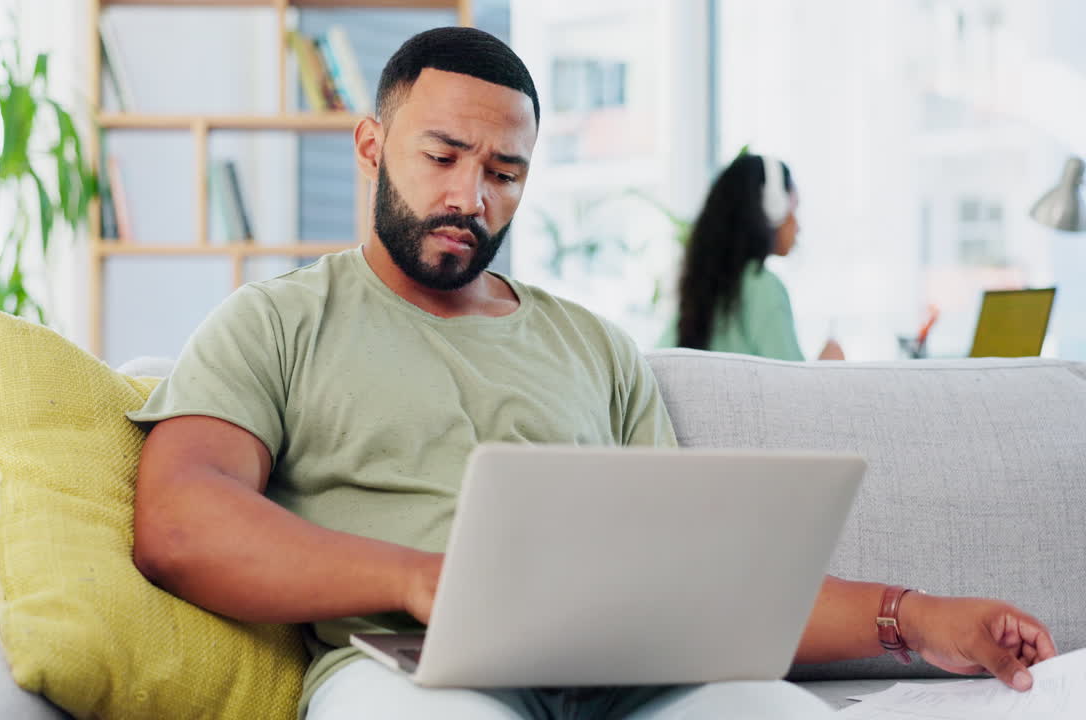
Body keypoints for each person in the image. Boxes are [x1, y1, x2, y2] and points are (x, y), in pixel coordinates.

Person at [128, 27, 1056, 720]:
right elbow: (179, 521)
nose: (471, 197)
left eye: (505, 171)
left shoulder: (593, 347)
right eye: (442, 156)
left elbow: (712, 584)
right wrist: (420, 580)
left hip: (629, 673)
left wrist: (918, 617)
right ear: (371, 146)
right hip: (410, 669)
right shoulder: (277, 320)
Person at [666, 153, 844, 361]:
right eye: (794, 209)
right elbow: (794, 388)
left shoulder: (699, 294)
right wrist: (827, 367)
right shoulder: (764, 287)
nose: (798, 226)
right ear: (773, 209)